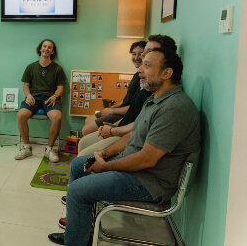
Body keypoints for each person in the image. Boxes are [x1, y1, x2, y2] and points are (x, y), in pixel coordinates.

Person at [48, 48, 201, 246]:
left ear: (167, 73)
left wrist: (106, 166)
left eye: (147, 65)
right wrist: (103, 153)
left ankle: (76, 240)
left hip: (150, 181)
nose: (140, 70)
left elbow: (147, 158)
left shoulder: (175, 108)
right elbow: (133, 135)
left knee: (77, 191)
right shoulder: (154, 99)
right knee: (79, 165)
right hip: (138, 169)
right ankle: (79, 232)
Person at [77, 34, 177, 156]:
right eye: (138, 53)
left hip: (128, 135)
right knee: (83, 141)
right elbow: (133, 110)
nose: (142, 55)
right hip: (122, 125)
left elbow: (140, 129)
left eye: (149, 51)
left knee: (83, 151)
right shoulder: (145, 82)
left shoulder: (160, 92)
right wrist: (114, 125)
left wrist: (113, 127)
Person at [14, 39, 67, 162]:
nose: (46, 49)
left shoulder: (58, 69)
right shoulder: (31, 67)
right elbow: (26, 85)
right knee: (21, 115)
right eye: (44, 46)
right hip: (34, 98)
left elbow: (60, 88)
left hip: (50, 98)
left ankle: (49, 150)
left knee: (57, 117)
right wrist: (28, 95)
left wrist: (54, 96)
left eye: (49, 47)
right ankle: (27, 148)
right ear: (40, 48)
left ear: (52, 51)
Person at [81, 41, 146, 136]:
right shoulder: (137, 74)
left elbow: (134, 107)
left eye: (140, 54)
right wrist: (113, 107)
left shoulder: (145, 80)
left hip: (125, 116)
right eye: (134, 54)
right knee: (88, 120)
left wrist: (112, 111)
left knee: (86, 130)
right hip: (119, 110)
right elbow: (127, 99)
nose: (136, 58)